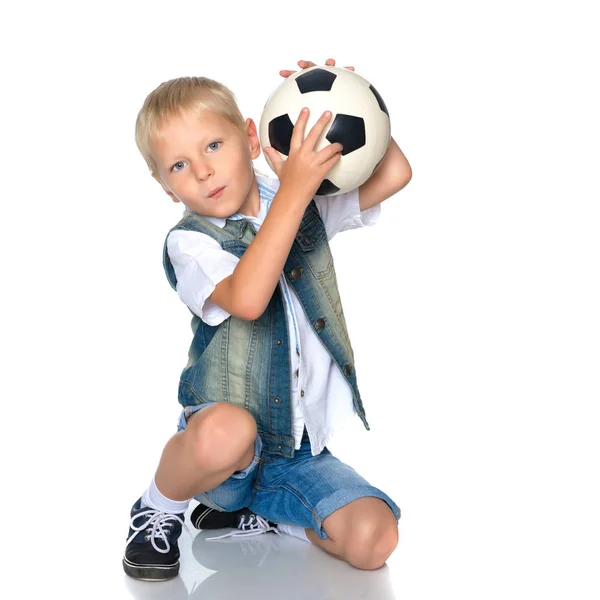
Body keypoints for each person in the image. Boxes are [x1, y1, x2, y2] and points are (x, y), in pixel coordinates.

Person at [123, 58, 412, 582]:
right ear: (167, 188)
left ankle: (274, 515)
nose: (204, 170)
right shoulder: (190, 242)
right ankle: (157, 508)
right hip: (227, 453)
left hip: (297, 455)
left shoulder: (299, 202)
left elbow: (395, 173)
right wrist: (298, 189)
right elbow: (249, 297)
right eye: (179, 165)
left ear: (251, 138)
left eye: (213, 145)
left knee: (375, 539)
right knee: (230, 430)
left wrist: (353, 101)